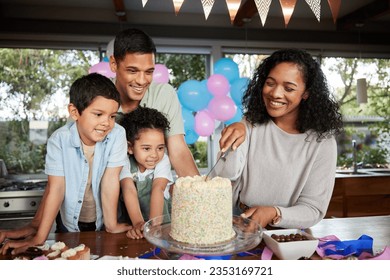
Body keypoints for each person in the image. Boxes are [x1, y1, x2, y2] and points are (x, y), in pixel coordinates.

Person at [0, 73, 132, 255]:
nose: (106, 123)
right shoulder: (59, 140)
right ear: (75, 112)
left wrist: (111, 225)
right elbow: (56, 188)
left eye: (112, 116)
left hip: (103, 219)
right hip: (69, 222)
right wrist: (39, 238)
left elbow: (111, 180)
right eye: (98, 114)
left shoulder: (117, 134)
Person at [212, 48, 343, 229]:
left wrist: (274, 212)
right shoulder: (251, 124)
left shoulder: (322, 142)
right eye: (270, 83)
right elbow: (226, 175)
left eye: (288, 88)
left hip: (287, 235)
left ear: (306, 93)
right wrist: (237, 133)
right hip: (239, 225)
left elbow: (313, 209)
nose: (275, 94)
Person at [109, 28, 246, 177]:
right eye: (132, 71)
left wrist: (198, 193)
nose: (142, 81)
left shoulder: (164, 94)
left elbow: (178, 150)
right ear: (114, 64)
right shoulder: (98, 96)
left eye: (149, 72)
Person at [116, 106, 173, 239]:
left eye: (160, 148)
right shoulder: (124, 161)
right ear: (130, 147)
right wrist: (138, 224)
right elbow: (128, 189)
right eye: (146, 148)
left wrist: (154, 227)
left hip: (161, 225)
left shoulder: (163, 160)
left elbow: (158, 190)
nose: (154, 155)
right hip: (134, 224)